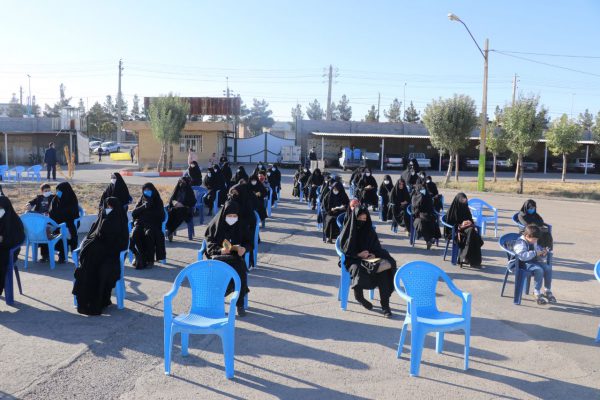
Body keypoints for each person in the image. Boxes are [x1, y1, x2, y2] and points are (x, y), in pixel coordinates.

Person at [72, 197, 129, 315]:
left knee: (103, 271)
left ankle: (99, 302)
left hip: (111, 256)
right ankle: (85, 302)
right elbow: (90, 237)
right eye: (106, 207)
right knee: (85, 271)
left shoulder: (120, 221)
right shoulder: (99, 220)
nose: (108, 209)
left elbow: (122, 243)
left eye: (111, 207)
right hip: (94, 256)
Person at [339, 206, 396, 318]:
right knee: (357, 269)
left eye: (365, 219)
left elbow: (377, 247)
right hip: (354, 259)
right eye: (360, 219)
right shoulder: (348, 231)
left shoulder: (370, 231)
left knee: (384, 271)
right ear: (355, 219)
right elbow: (345, 250)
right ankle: (359, 297)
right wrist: (358, 255)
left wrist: (373, 254)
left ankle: (385, 306)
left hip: (370, 259)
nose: (362, 221)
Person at [204, 200, 251, 316]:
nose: (232, 218)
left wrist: (244, 248)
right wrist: (220, 250)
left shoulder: (241, 225)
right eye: (229, 216)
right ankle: (219, 297)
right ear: (224, 214)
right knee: (226, 268)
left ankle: (239, 303)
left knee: (240, 267)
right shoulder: (216, 225)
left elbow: (249, 242)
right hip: (218, 256)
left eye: (235, 216)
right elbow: (209, 244)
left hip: (235, 257)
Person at [514, 224, 556, 305]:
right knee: (539, 270)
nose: (535, 241)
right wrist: (535, 253)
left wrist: (542, 254)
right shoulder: (520, 243)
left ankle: (547, 290)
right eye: (534, 239)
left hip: (532, 262)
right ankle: (536, 292)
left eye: (536, 239)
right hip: (521, 263)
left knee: (547, 268)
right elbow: (522, 256)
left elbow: (537, 253)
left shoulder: (533, 241)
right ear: (527, 236)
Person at [130, 183, 166, 269]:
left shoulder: (158, 201)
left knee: (149, 234)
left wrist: (151, 213)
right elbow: (134, 213)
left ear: (153, 190)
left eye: (149, 190)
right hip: (141, 223)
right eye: (145, 190)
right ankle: (140, 255)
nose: (147, 192)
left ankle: (150, 259)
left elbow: (161, 216)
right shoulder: (141, 200)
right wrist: (144, 206)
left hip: (153, 224)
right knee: (134, 234)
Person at [445, 193, 484, 267]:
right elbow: (450, 224)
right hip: (456, 231)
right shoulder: (452, 210)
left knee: (472, 233)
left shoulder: (466, 209)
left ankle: (465, 258)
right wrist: (460, 224)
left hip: (467, 229)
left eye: (465, 201)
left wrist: (469, 222)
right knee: (472, 235)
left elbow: (470, 220)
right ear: (457, 201)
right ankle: (472, 261)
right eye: (462, 201)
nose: (463, 203)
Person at [0, 196, 25, 298]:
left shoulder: (15, 221)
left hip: (9, 251)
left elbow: (18, 239)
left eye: (1, 208)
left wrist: (3, 239)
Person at [49, 182, 80, 263]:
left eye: (59, 191)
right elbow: (51, 212)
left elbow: (73, 214)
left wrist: (63, 221)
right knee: (54, 231)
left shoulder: (72, 199)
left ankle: (68, 254)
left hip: (70, 222)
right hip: (57, 223)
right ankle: (60, 255)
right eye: (57, 191)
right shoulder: (55, 199)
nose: (57, 193)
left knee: (64, 231)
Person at [165, 176, 197, 242]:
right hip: (175, 208)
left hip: (186, 209)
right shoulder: (177, 189)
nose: (181, 183)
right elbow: (172, 199)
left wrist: (183, 205)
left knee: (180, 212)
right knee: (170, 212)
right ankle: (170, 230)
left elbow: (192, 202)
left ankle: (170, 231)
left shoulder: (189, 191)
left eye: (183, 182)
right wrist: (174, 203)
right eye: (180, 181)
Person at [410, 183, 441, 249]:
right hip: (417, 217)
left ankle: (429, 240)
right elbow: (415, 210)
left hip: (428, 216)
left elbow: (430, 208)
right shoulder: (414, 197)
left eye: (424, 189)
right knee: (421, 223)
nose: (423, 190)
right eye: (421, 189)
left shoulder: (427, 196)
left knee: (431, 222)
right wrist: (420, 198)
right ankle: (429, 240)